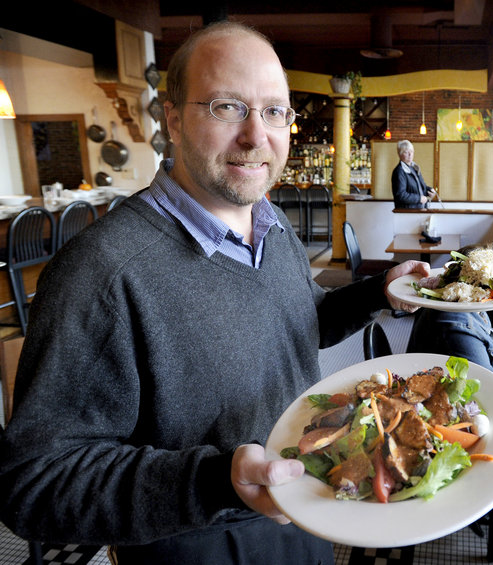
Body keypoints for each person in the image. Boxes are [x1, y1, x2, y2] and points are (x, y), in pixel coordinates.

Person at [0, 22, 427, 565]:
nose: (256, 135)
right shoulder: (100, 272)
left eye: (275, 111)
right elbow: (35, 482)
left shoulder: (273, 228)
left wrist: (378, 294)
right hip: (197, 546)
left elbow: (300, 320)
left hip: (308, 517)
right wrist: (213, 481)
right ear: (172, 119)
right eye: (228, 107)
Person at [391, 140, 436, 209]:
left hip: (419, 209)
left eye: (411, 151)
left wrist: (429, 191)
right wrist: (419, 199)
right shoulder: (399, 171)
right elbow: (401, 195)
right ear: (399, 154)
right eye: (406, 152)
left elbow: (419, 188)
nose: (410, 154)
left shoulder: (414, 168)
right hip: (407, 212)